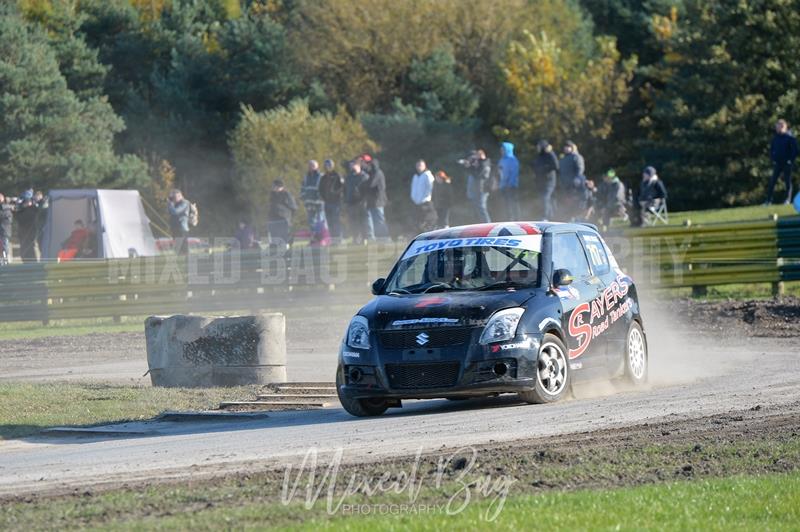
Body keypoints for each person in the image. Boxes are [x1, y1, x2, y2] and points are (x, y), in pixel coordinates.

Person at [766, 119, 798, 205]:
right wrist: (773, 159)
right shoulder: (775, 138)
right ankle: (768, 200)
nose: (778, 129)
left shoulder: (790, 138)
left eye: (780, 127)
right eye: (777, 127)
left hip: (787, 163)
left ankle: (787, 200)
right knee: (772, 181)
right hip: (778, 163)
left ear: (784, 127)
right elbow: (772, 150)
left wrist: (790, 160)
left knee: (787, 182)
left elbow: (795, 151)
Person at [359, 154, 389, 240]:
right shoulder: (371, 172)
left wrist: (362, 184)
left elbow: (370, 184)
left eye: (364, 163)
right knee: (374, 221)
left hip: (378, 201)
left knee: (379, 220)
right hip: (372, 201)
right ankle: (378, 237)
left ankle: (385, 237)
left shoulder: (377, 172)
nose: (362, 165)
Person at [300, 160, 327, 244]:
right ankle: (314, 239)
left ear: (317, 166)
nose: (311, 167)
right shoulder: (306, 177)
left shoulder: (321, 176)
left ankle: (324, 239)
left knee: (321, 222)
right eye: (309, 165)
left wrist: (320, 197)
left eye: (312, 165)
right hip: (309, 204)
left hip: (319, 204)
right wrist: (303, 197)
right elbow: (303, 189)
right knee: (311, 223)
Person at [558, 141, 586, 220]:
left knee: (576, 202)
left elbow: (580, 168)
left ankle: (577, 218)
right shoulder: (563, 159)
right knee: (567, 202)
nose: (566, 148)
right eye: (565, 147)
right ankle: (569, 218)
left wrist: (577, 178)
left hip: (575, 185)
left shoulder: (576, 157)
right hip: (566, 185)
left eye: (568, 146)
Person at [533, 140, 559, 221]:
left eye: (539, 146)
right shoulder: (539, 156)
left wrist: (544, 169)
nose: (537, 148)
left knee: (545, 198)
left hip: (549, 182)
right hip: (541, 182)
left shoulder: (550, 154)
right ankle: (551, 217)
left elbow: (556, 166)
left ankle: (545, 217)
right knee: (545, 200)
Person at [267, 179, 297, 250]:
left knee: (285, 237)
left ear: (280, 187)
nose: (273, 187)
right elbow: (270, 206)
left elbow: (293, 207)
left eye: (274, 186)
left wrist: (288, 216)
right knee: (275, 238)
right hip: (273, 220)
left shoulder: (286, 194)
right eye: (273, 186)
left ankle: (287, 250)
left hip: (283, 219)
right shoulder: (272, 195)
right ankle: (276, 252)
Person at [319, 159, 344, 242]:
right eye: (326, 166)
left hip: (336, 202)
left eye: (329, 165)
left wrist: (335, 193)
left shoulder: (337, 176)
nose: (327, 167)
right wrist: (323, 197)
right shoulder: (323, 177)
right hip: (327, 202)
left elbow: (342, 187)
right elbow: (320, 189)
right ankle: (333, 239)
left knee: (335, 221)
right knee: (329, 222)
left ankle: (338, 238)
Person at [345, 160, 369, 244]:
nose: (351, 167)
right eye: (350, 166)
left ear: (358, 166)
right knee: (353, 221)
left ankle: (364, 238)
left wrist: (363, 199)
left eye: (353, 166)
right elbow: (346, 189)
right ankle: (355, 238)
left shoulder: (364, 176)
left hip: (361, 203)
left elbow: (366, 190)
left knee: (362, 221)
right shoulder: (349, 177)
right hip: (351, 203)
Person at [410, 160, 437, 233]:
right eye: (417, 165)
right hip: (416, 202)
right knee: (417, 220)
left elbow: (430, 187)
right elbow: (413, 187)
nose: (419, 167)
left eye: (420, 165)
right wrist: (413, 197)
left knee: (426, 220)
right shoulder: (415, 176)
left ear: (424, 166)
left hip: (425, 202)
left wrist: (426, 197)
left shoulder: (427, 175)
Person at [465, 149, 492, 223]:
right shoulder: (481, 164)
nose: (475, 159)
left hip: (482, 189)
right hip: (478, 190)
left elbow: (477, 175)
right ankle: (483, 224)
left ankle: (488, 224)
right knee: (477, 208)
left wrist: (470, 167)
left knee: (481, 208)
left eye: (477, 157)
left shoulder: (484, 163)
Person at [498, 142, 520, 221]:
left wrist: (510, 184)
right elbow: (500, 172)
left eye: (503, 149)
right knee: (506, 204)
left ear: (507, 150)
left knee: (512, 203)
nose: (501, 150)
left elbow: (514, 173)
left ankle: (516, 219)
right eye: (501, 149)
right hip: (503, 186)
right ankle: (508, 219)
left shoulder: (513, 160)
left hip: (511, 186)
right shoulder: (501, 160)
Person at [15, 190, 39, 262]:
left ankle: (32, 265)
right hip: (23, 234)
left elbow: (21, 217)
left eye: (28, 202)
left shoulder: (32, 210)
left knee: (30, 250)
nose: (26, 203)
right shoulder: (23, 210)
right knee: (24, 251)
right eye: (25, 202)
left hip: (30, 234)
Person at [167, 189, 191, 254]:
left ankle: (185, 257)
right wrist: (170, 204)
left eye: (175, 197)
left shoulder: (185, 202)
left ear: (180, 196)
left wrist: (171, 204)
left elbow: (175, 212)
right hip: (174, 227)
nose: (173, 199)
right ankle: (180, 256)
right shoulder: (174, 204)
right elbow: (169, 212)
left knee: (183, 246)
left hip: (182, 228)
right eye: (173, 197)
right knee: (178, 245)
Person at [33, 190, 48, 255]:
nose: (35, 198)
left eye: (37, 197)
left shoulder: (44, 204)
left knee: (43, 244)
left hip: (43, 228)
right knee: (40, 244)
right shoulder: (39, 204)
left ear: (40, 196)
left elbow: (42, 214)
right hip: (39, 228)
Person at [0, 193, 13, 264]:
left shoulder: (6, 208)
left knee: (5, 247)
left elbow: (8, 220)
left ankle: (6, 261)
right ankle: (2, 261)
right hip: (2, 231)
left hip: (4, 231)